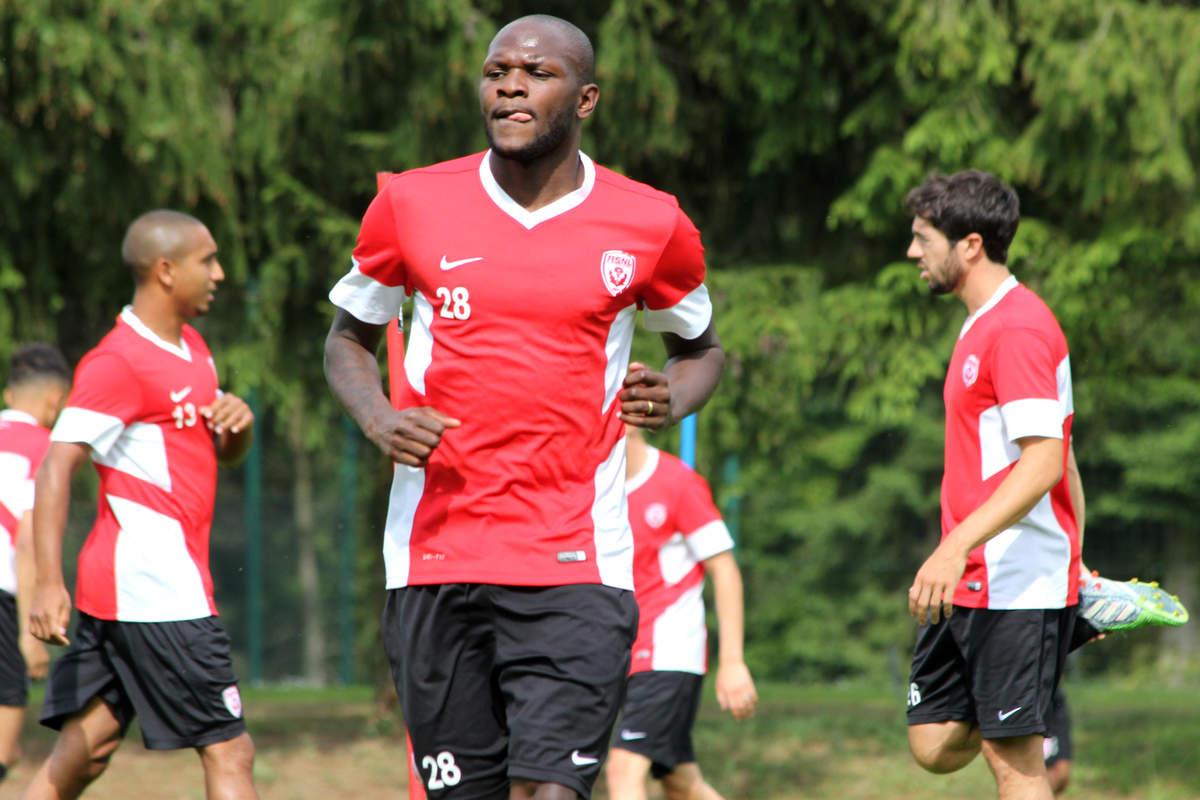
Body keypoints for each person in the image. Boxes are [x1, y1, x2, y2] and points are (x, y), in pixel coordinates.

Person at [324, 14, 723, 800]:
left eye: (537, 72)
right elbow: (347, 341)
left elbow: (703, 349)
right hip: (435, 557)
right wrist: (377, 418)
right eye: (496, 69)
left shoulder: (650, 220)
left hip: (577, 558)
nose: (510, 83)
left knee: (553, 791)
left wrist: (673, 396)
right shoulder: (410, 203)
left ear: (586, 99)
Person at [21, 210, 258, 800]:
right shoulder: (117, 362)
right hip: (156, 584)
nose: (220, 273)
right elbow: (57, 464)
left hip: (129, 588)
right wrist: (48, 582)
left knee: (89, 746)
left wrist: (238, 427)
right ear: (166, 270)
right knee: (230, 749)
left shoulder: (193, 347)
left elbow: (220, 454)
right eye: (208, 260)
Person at [902, 170, 1080, 800]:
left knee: (1015, 764)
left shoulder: (1018, 329)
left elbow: (1046, 462)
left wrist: (953, 547)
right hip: (975, 576)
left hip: (1014, 576)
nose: (912, 252)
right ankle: (1050, 654)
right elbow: (1066, 454)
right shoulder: (981, 322)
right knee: (930, 740)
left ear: (969, 244)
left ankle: (1038, 666)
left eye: (924, 238)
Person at [604, 426, 755, 800]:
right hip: (620, 652)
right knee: (681, 784)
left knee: (624, 770)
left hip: (667, 651)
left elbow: (725, 570)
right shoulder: (593, 489)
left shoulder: (676, 483)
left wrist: (732, 661)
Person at [0, 344, 71, 783]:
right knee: (5, 727)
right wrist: (30, 635)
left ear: (9, 395)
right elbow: (27, 542)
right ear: (54, 399)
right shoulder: (42, 447)